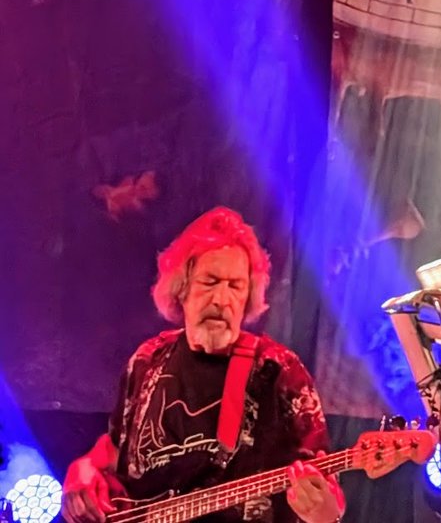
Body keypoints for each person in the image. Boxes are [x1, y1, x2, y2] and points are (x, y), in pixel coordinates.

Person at [61, 208, 344, 523]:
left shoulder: (278, 370)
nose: (222, 299)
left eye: (235, 286)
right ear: (181, 289)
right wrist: (82, 468)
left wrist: (324, 512)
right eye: (210, 282)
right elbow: (115, 450)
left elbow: (327, 489)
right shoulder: (147, 360)